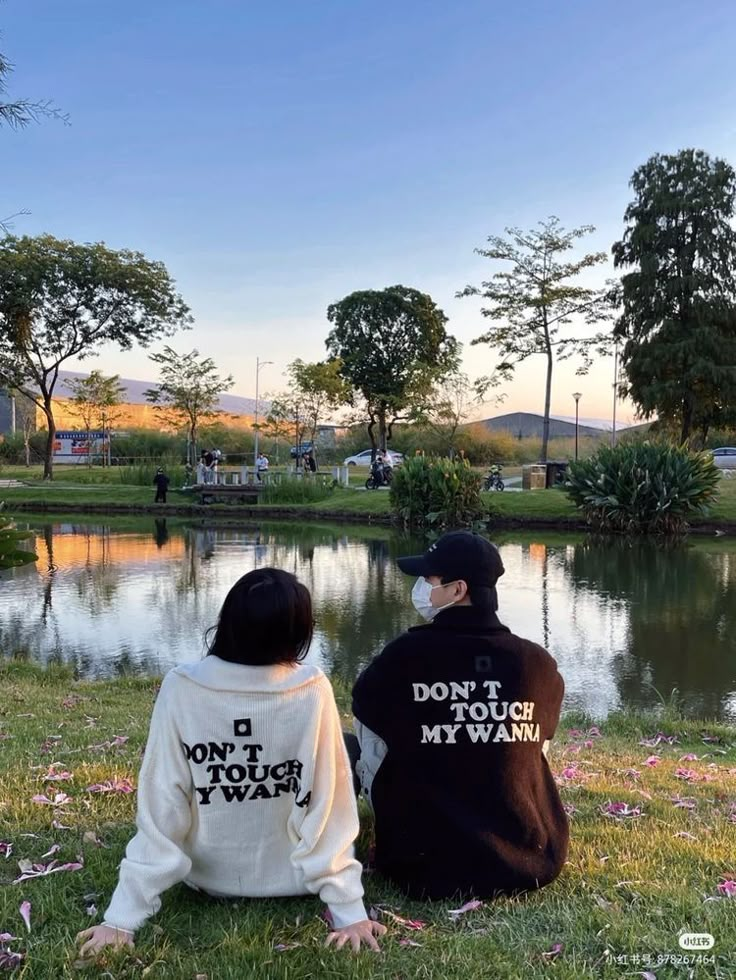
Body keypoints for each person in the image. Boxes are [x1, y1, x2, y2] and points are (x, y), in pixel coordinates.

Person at [76, 568, 386, 959]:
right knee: (345, 750)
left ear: (227, 622)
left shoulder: (182, 686)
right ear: (298, 631)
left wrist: (121, 918)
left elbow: (163, 803)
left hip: (209, 880)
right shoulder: (312, 688)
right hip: (296, 879)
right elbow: (329, 805)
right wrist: (348, 913)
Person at [350, 530, 569, 902]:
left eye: (429, 580)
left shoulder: (403, 657)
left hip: (422, 864)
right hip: (530, 860)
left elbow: (366, 714)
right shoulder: (537, 663)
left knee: (357, 739)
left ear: (457, 590)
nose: (420, 587)